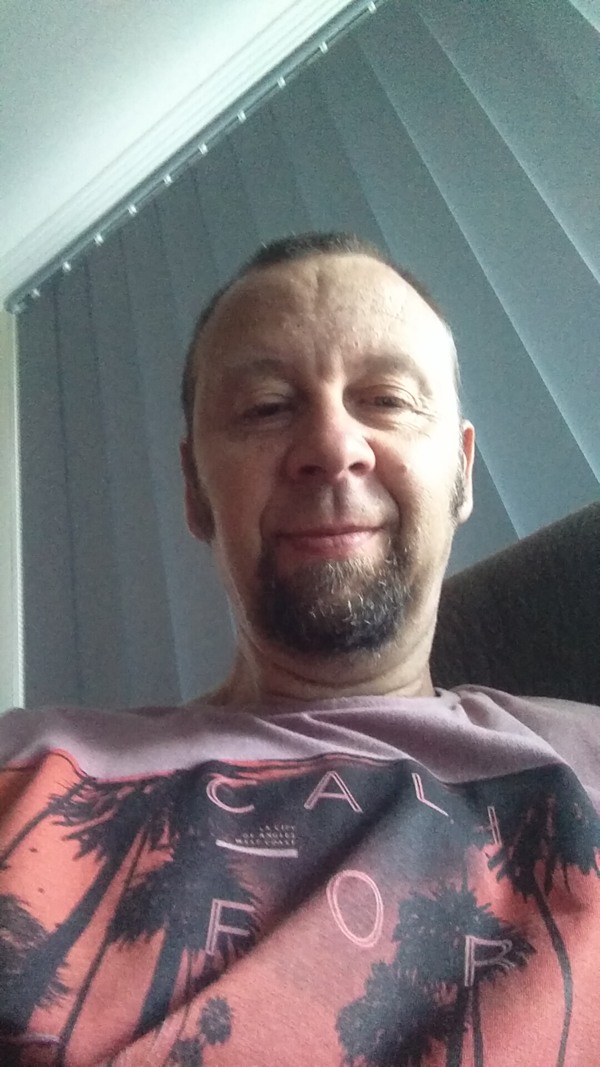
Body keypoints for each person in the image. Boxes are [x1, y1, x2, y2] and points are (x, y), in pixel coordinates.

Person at [1, 232, 599, 1067]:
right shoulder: (23, 770)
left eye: (388, 399)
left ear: (462, 472)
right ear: (195, 490)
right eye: (266, 408)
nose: (332, 445)